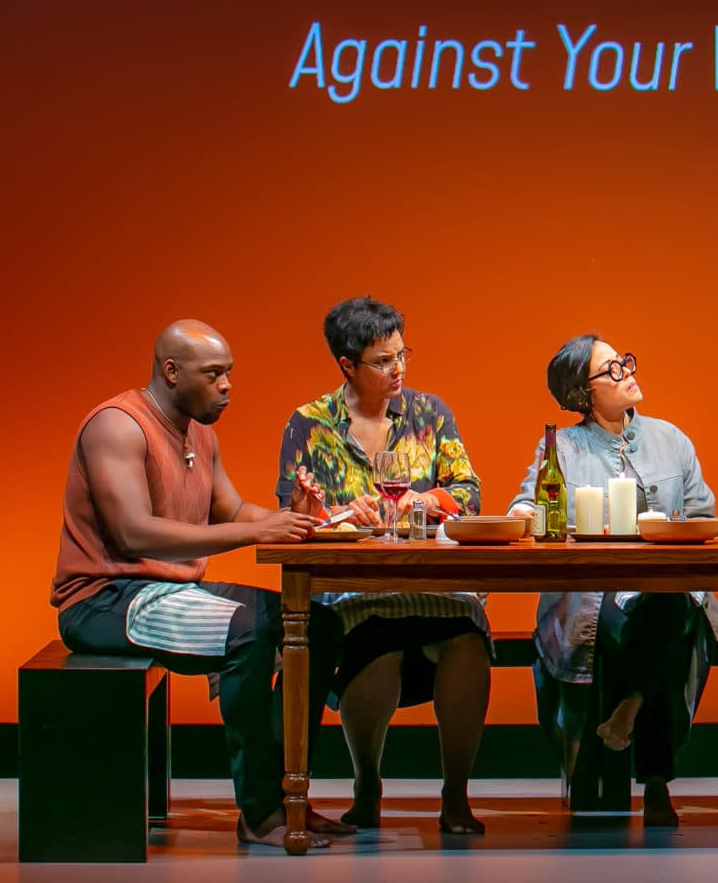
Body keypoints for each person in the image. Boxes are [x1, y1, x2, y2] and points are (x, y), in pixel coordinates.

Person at [50, 320, 348, 849]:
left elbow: (231, 509)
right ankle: (259, 812)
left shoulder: (198, 430)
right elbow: (132, 532)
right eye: (214, 375)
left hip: (167, 592)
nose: (227, 386)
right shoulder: (117, 426)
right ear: (171, 371)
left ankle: (289, 797)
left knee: (319, 624)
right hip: (107, 599)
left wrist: (302, 517)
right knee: (249, 633)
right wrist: (255, 531)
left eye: (229, 373)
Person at [277, 296, 491, 835]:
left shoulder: (429, 414)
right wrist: (332, 512)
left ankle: (456, 794)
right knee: (375, 647)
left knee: (467, 642)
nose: (399, 369)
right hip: (357, 590)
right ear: (347, 365)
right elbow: (293, 512)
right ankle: (367, 784)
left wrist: (423, 501)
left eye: (403, 355)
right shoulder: (310, 424)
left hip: (435, 584)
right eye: (383, 360)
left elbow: (469, 493)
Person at [506, 336, 718, 828]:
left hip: (669, 587)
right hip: (596, 592)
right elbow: (528, 501)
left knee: (669, 608)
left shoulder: (672, 439)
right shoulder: (562, 446)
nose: (627, 371)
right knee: (648, 628)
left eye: (625, 360)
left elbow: (703, 515)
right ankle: (655, 784)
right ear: (583, 394)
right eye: (611, 369)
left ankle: (630, 711)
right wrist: (524, 513)